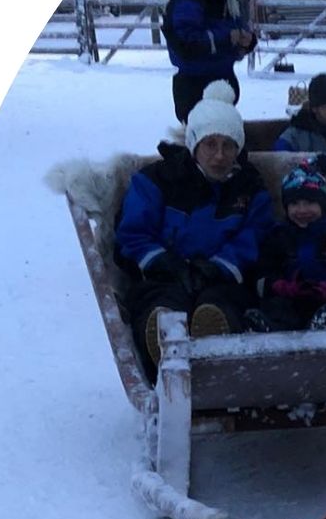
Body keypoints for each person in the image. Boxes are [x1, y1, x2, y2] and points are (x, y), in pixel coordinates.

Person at [114, 81, 273, 372]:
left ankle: (216, 350)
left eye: (228, 146)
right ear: (194, 145)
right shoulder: (158, 180)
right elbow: (132, 231)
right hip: (165, 274)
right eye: (210, 144)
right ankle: (161, 347)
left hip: (222, 278)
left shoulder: (249, 188)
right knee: (161, 302)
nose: (219, 155)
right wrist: (164, 262)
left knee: (222, 305)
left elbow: (257, 233)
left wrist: (220, 266)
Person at [248, 160, 326, 332]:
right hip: (291, 296)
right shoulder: (279, 235)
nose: (302, 210)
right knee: (276, 304)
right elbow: (265, 269)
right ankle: (272, 326)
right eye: (294, 204)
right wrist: (280, 285)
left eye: (310, 203)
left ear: (324, 204)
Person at [162, 0, 258, 122]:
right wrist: (226, 38)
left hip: (223, 79)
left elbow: (236, 25)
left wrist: (246, 41)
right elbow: (185, 43)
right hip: (195, 86)